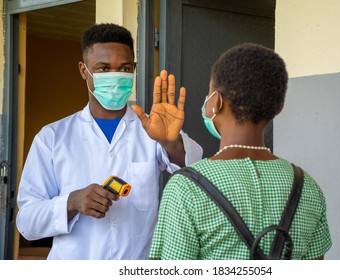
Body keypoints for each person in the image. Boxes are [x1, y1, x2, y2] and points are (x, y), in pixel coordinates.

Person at [16, 23, 203, 260]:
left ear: (134, 68)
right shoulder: (52, 137)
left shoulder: (151, 129)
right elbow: (27, 222)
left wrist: (171, 141)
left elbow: (195, 170)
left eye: (124, 68)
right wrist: (72, 202)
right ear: (84, 70)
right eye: (103, 69)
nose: (115, 76)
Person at [149, 43, 332, 260]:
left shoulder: (185, 188)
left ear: (215, 102)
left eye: (208, 94)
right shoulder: (307, 186)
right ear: (279, 107)